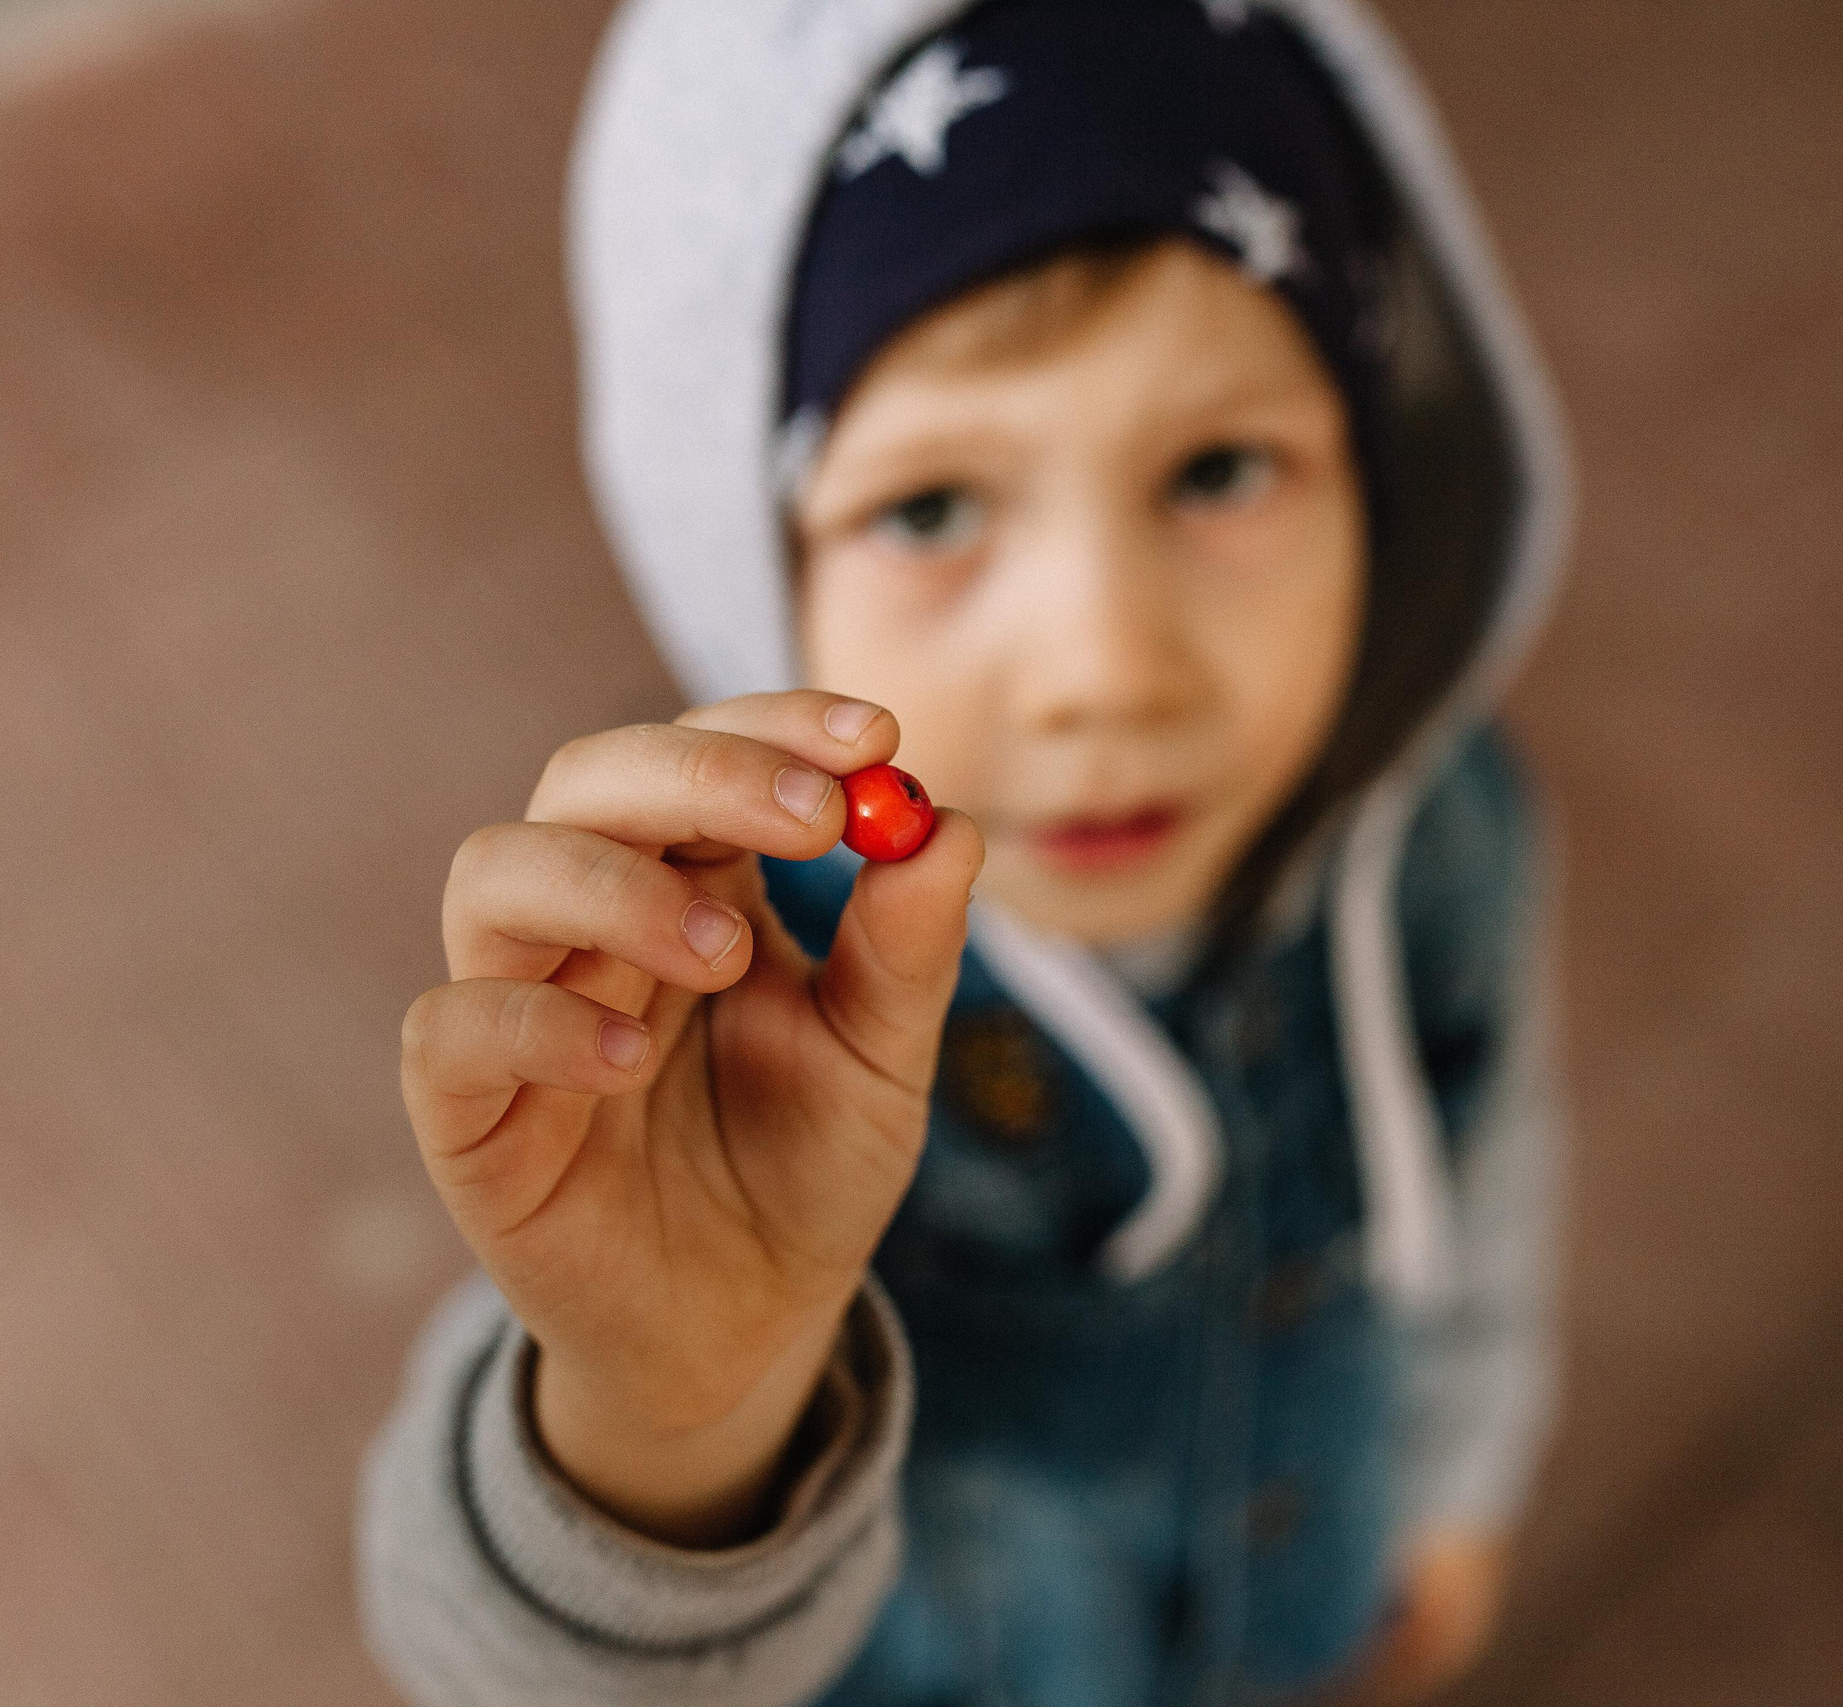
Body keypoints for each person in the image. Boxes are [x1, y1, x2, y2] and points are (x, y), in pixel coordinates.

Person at [359, 0, 1575, 1702]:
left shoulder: (1444, 836)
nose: (1107, 669)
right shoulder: (710, 1003)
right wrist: (667, 1421)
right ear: (755, 565)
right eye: (929, 508)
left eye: (1222, 470)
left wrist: (1451, 1496)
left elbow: (1489, 1190)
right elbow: (484, 1658)